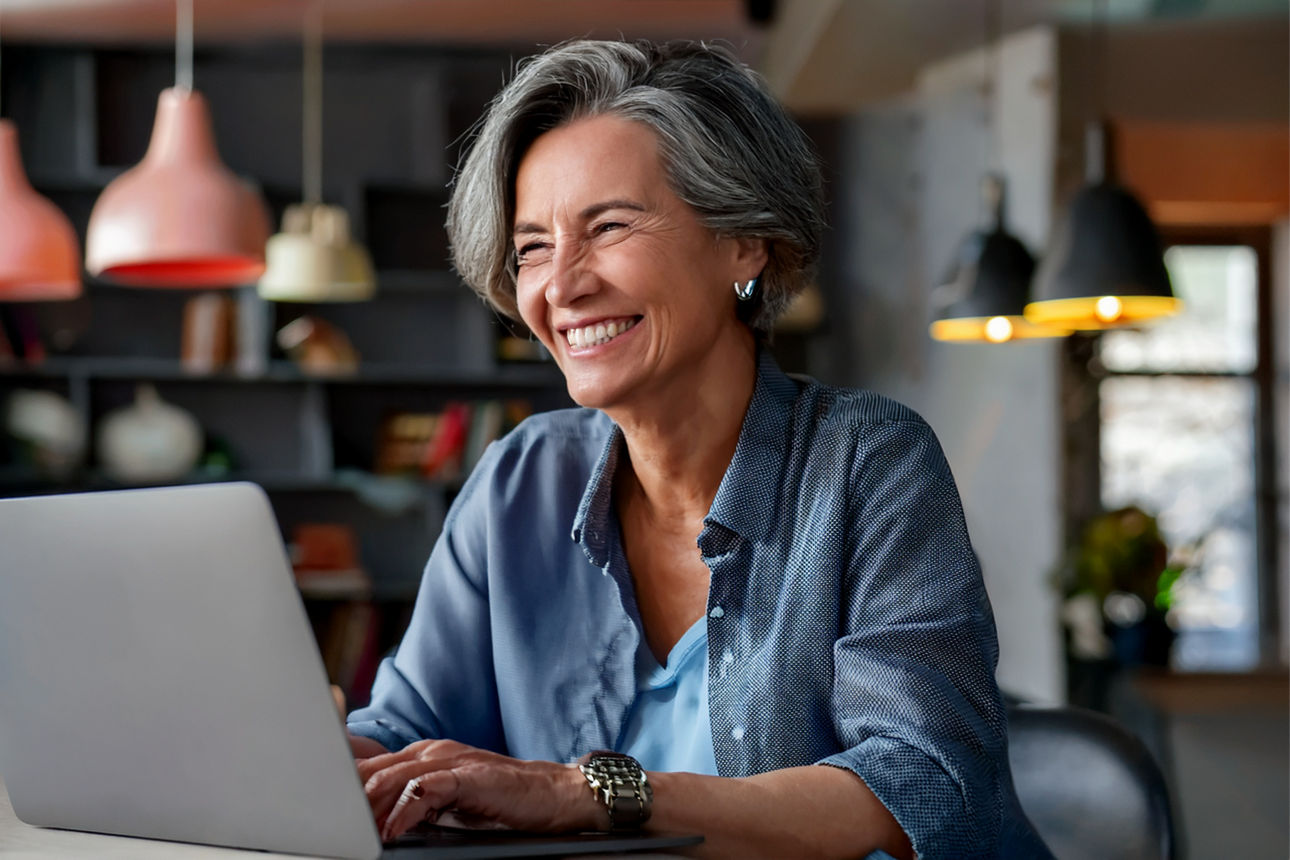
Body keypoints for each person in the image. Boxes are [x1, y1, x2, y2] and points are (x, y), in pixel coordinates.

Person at [346, 39, 1052, 860]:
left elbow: (920, 779)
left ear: (744, 242)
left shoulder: (870, 461)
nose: (560, 284)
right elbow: (404, 737)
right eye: (532, 245)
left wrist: (583, 796)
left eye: (607, 226)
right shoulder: (519, 479)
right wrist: (287, 758)